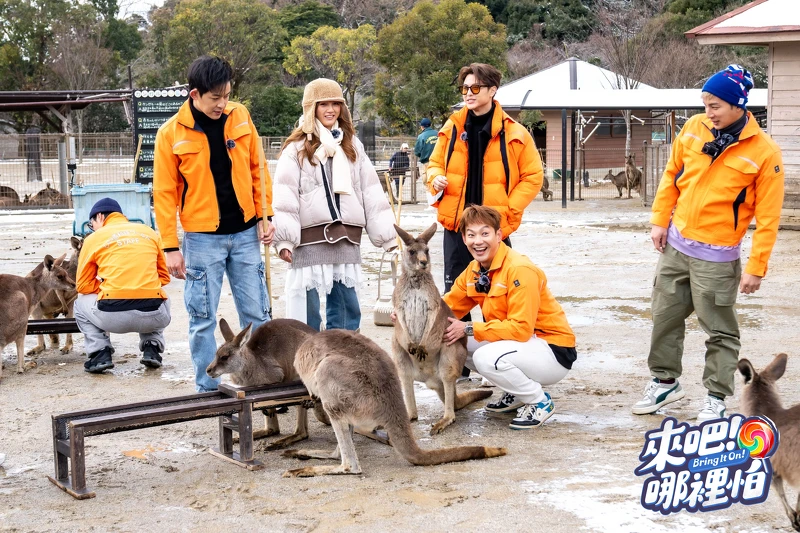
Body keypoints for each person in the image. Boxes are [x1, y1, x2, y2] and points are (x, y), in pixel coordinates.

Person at [632, 64, 785, 422]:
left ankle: (716, 397)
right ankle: (665, 382)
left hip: (717, 259)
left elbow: (769, 218)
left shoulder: (765, 153)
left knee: (719, 330)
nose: (709, 112)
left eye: (715, 105)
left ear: (738, 105)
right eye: (705, 103)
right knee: (663, 318)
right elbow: (672, 175)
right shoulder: (693, 128)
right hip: (675, 246)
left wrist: (756, 268)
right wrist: (660, 220)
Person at [153, 55, 274, 392]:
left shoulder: (241, 116)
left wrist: (266, 215)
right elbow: (163, 193)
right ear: (194, 95)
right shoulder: (170, 133)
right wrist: (171, 247)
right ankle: (208, 390)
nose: (223, 104)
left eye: (227, 95)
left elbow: (258, 169)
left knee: (259, 317)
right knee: (203, 318)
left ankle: (265, 385)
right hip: (202, 239)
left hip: (247, 232)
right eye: (214, 97)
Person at [273, 78, 396, 332]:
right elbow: (285, 197)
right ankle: (306, 365)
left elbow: (371, 191)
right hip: (308, 239)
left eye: (335, 104)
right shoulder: (295, 149)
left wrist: (388, 237)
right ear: (311, 108)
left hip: (346, 237)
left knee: (346, 309)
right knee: (306, 315)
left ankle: (344, 363)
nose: (331, 110)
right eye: (323, 104)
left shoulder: (352, 145)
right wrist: (285, 239)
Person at [441, 205, 576, 429]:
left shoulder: (519, 269)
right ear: (463, 238)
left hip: (552, 350)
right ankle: (517, 392)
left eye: (485, 233)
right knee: (450, 341)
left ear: (499, 235)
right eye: (471, 235)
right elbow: (447, 305)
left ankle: (539, 401)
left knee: (486, 357)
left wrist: (469, 327)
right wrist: (410, 313)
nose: (478, 241)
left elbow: (521, 329)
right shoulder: (474, 270)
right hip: (522, 346)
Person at [427, 63, 543, 314]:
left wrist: (508, 210)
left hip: (494, 226)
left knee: (501, 294)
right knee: (456, 296)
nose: (468, 93)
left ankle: (501, 347)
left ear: (492, 90)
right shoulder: (452, 128)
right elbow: (434, 164)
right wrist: (435, 177)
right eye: (465, 88)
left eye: (475, 87)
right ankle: (457, 350)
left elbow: (533, 176)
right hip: (458, 226)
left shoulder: (515, 133)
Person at [74, 198, 172, 373]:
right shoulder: (149, 232)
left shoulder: (94, 238)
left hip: (112, 317)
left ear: (99, 217)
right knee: (161, 294)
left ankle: (99, 353)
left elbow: (82, 285)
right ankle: (153, 348)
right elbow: (164, 278)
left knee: (80, 304)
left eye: (92, 224)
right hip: (154, 316)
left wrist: (108, 287)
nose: (93, 228)